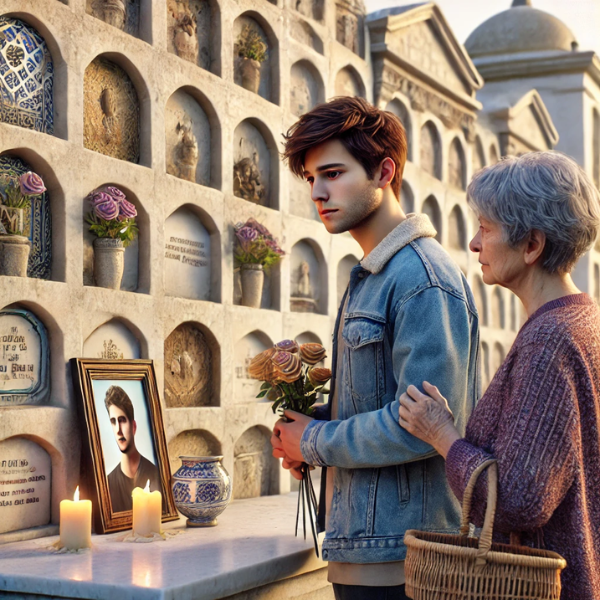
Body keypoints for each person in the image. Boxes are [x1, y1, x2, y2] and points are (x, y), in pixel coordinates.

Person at [271, 96, 480, 600]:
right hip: (364, 550)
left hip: (406, 561)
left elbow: (426, 427)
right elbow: (382, 400)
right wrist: (308, 426)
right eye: (310, 178)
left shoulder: (422, 279)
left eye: (334, 173)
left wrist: (318, 441)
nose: (318, 192)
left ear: (384, 171)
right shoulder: (372, 274)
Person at [398, 152, 600, 599]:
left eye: (486, 229)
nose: (473, 244)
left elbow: (518, 500)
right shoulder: (584, 322)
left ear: (531, 245)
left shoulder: (550, 342)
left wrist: (442, 433)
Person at [104, 385, 160, 512]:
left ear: (133, 426)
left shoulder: (156, 475)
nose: (118, 430)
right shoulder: (107, 485)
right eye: (113, 421)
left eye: (122, 420)